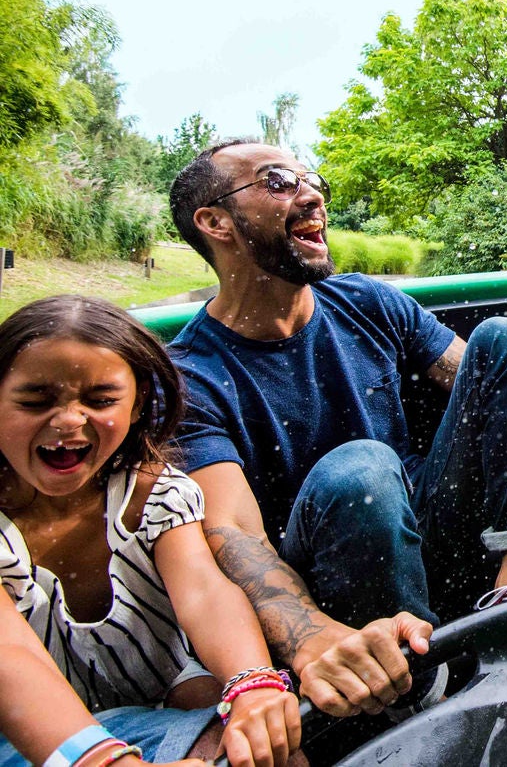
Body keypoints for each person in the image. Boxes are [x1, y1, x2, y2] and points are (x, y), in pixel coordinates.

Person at [166, 140, 507, 718]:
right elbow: (230, 534)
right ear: (215, 222)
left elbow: (482, 377)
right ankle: (422, 686)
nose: (311, 196)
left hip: (433, 522)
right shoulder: (189, 377)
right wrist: (309, 641)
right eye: (278, 182)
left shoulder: (365, 299)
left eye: (312, 181)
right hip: (334, 578)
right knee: (362, 469)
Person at [0, 295, 301, 767]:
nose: (68, 420)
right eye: (36, 401)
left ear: (138, 403)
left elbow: (203, 591)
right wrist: (103, 760)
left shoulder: (155, 493)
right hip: (27, 735)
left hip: (166, 687)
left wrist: (254, 683)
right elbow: (9, 655)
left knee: (265, 749)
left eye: (100, 400)